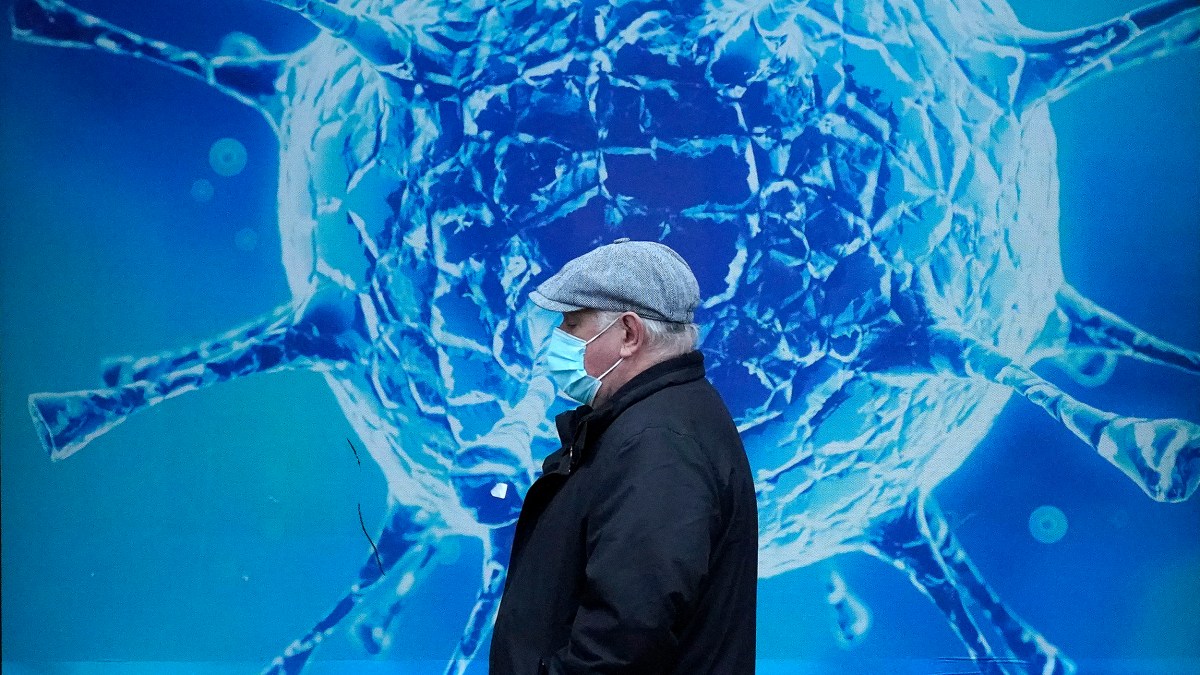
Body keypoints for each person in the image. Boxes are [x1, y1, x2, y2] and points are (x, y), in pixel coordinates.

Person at [489, 238, 758, 675]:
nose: (557, 341)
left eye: (573, 324)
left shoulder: (660, 448)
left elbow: (620, 647)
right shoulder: (655, 424)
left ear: (629, 335)